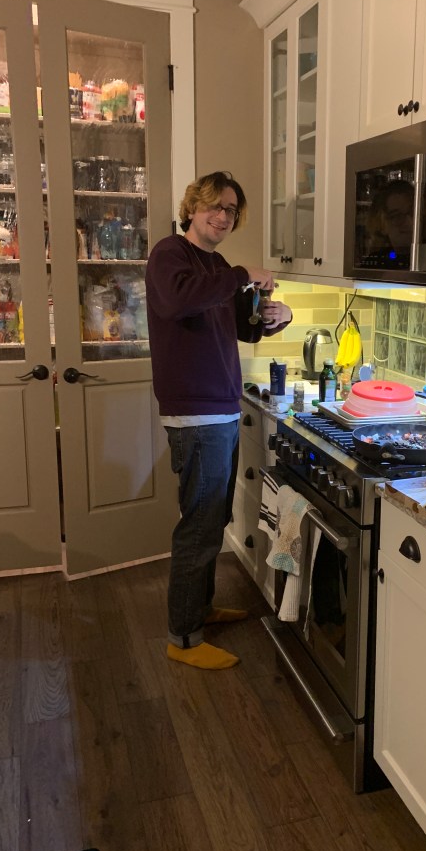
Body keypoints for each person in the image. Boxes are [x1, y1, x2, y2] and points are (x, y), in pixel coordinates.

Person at [145, 171, 292, 670]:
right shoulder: (170, 254)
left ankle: (200, 609)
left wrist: (274, 319)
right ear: (192, 207)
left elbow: (242, 326)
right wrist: (243, 274)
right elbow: (179, 300)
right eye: (215, 206)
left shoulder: (218, 267)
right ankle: (183, 638)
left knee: (213, 520)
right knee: (199, 526)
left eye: (231, 210)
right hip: (195, 414)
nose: (223, 216)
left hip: (222, 409)